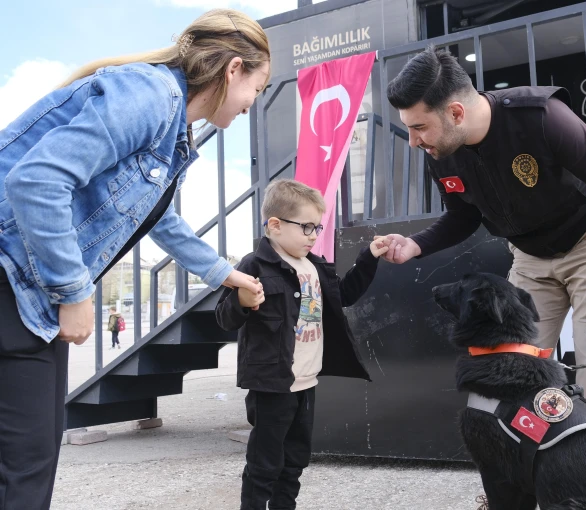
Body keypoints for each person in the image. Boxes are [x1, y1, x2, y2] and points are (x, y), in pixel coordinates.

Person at [0, 9, 270, 509]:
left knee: (25, 461)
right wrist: (75, 290)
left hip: (23, 287)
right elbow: (36, 181)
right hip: (15, 283)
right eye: (258, 86)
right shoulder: (152, 95)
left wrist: (229, 276)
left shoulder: (173, 136)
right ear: (234, 70)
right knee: (25, 470)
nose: (254, 102)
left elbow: (160, 222)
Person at [381, 46, 586, 431]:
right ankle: (514, 487)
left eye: (419, 127)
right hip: (527, 256)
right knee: (508, 374)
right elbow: (462, 216)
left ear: (456, 112)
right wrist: (415, 245)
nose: (412, 140)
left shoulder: (541, 116)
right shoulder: (441, 150)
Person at [215, 179, 389, 510]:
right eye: (307, 227)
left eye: (317, 227)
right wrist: (241, 298)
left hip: (306, 381)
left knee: (295, 458)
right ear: (276, 226)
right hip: (273, 385)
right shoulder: (254, 265)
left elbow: (346, 295)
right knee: (265, 461)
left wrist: (369, 258)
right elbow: (224, 318)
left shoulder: (315, 266)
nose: (313, 235)